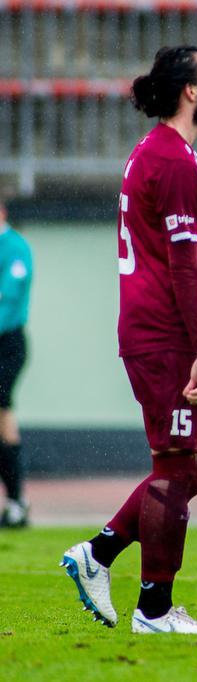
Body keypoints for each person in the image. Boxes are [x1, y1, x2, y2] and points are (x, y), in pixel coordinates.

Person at [61, 46, 197, 634]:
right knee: (176, 465)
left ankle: (99, 554)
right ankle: (154, 609)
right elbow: (184, 264)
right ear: (189, 91)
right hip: (167, 337)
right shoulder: (174, 161)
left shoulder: (159, 153)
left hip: (166, 332)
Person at [0, 198, 32, 528]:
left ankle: (17, 501)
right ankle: (15, 501)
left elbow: (8, 294)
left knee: (3, 408)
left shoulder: (14, 248)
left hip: (7, 343)